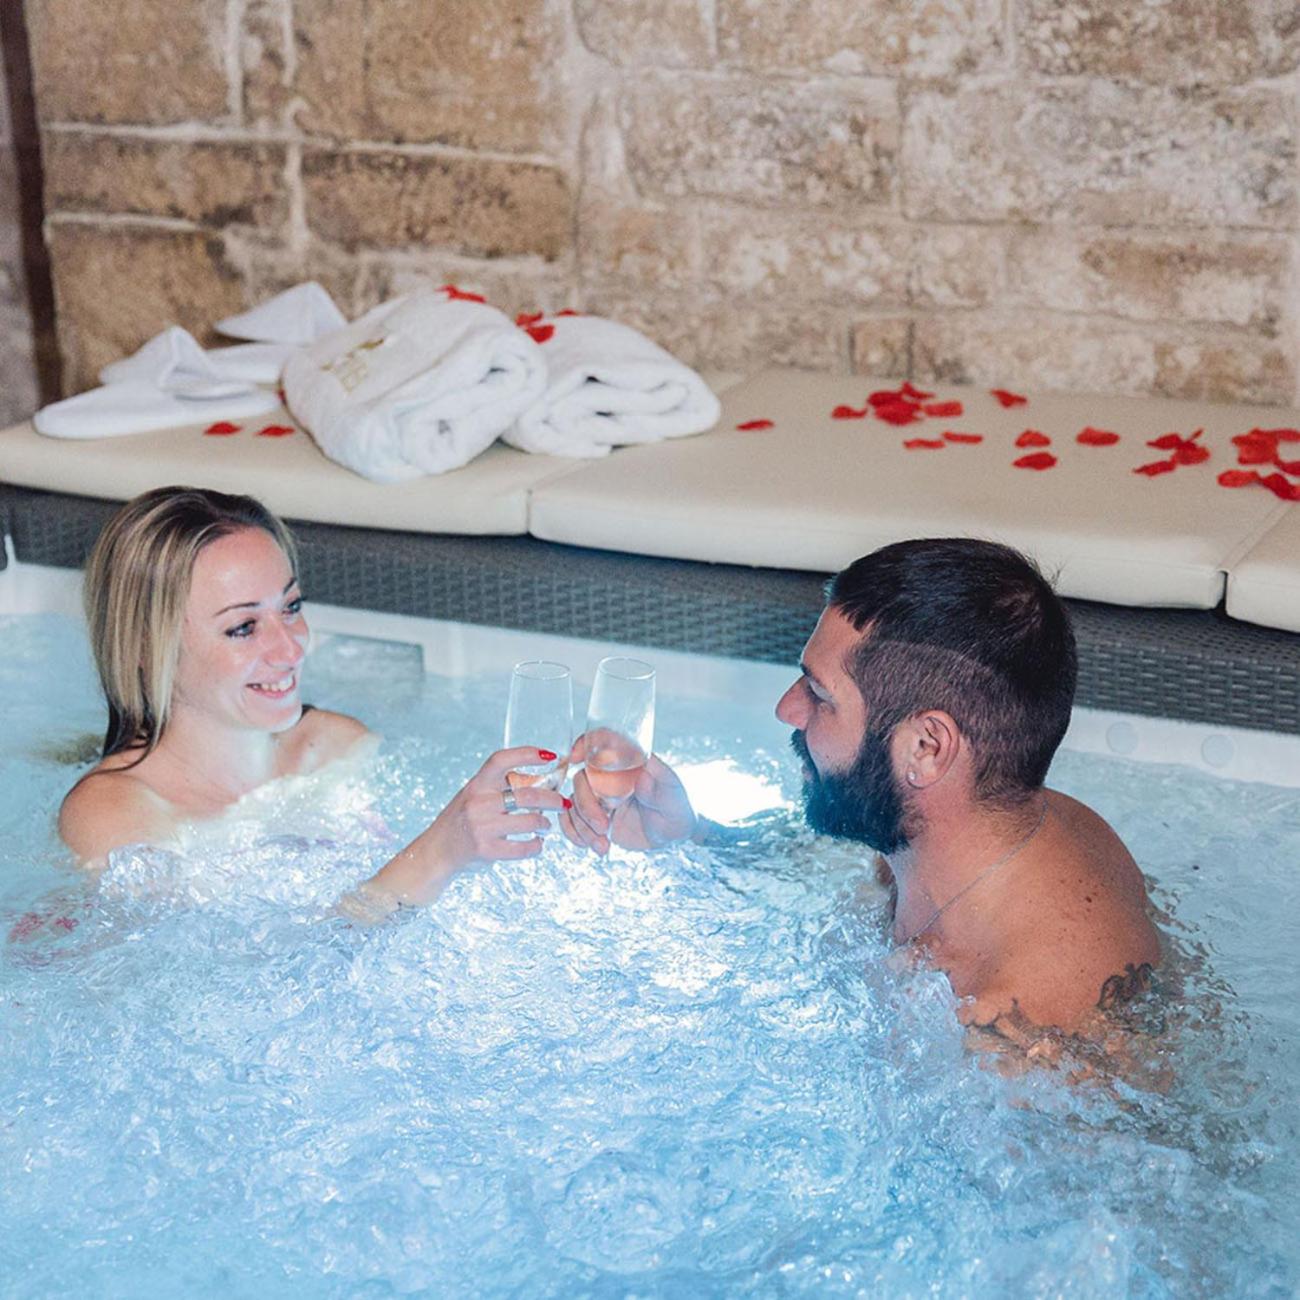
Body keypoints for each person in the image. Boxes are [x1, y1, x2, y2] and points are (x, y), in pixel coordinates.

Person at [560, 538, 1161, 1039]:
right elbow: (825, 864)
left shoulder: (1013, 1034)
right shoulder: (977, 824)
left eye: (820, 695)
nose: (787, 709)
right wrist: (691, 837)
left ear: (927, 748)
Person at [59, 486, 566, 919]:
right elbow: (241, 987)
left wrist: (576, 806)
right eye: (243, 627)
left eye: (291, 606)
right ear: (147, 647)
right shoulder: (115, 817)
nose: (292, 648)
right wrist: (441, 852)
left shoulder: (336, 747)